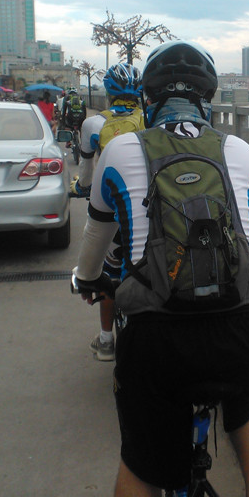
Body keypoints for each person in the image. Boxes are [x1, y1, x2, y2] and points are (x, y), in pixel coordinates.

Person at [72, 40, 249, 497]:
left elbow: (95, 248)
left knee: (143, 462)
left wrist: (86, 282)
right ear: (209, 98)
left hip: (159, 341)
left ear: (150, 98)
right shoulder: (241, 152)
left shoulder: (119, 151)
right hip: (241, 328)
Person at [71, 63, 145, 362]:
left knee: (106, 274)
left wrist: (80, 187)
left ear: (108, 92)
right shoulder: (150, 119)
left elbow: (87, 172)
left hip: (112, 209)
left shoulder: (94, 124)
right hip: (147, 208)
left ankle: (105, 341)